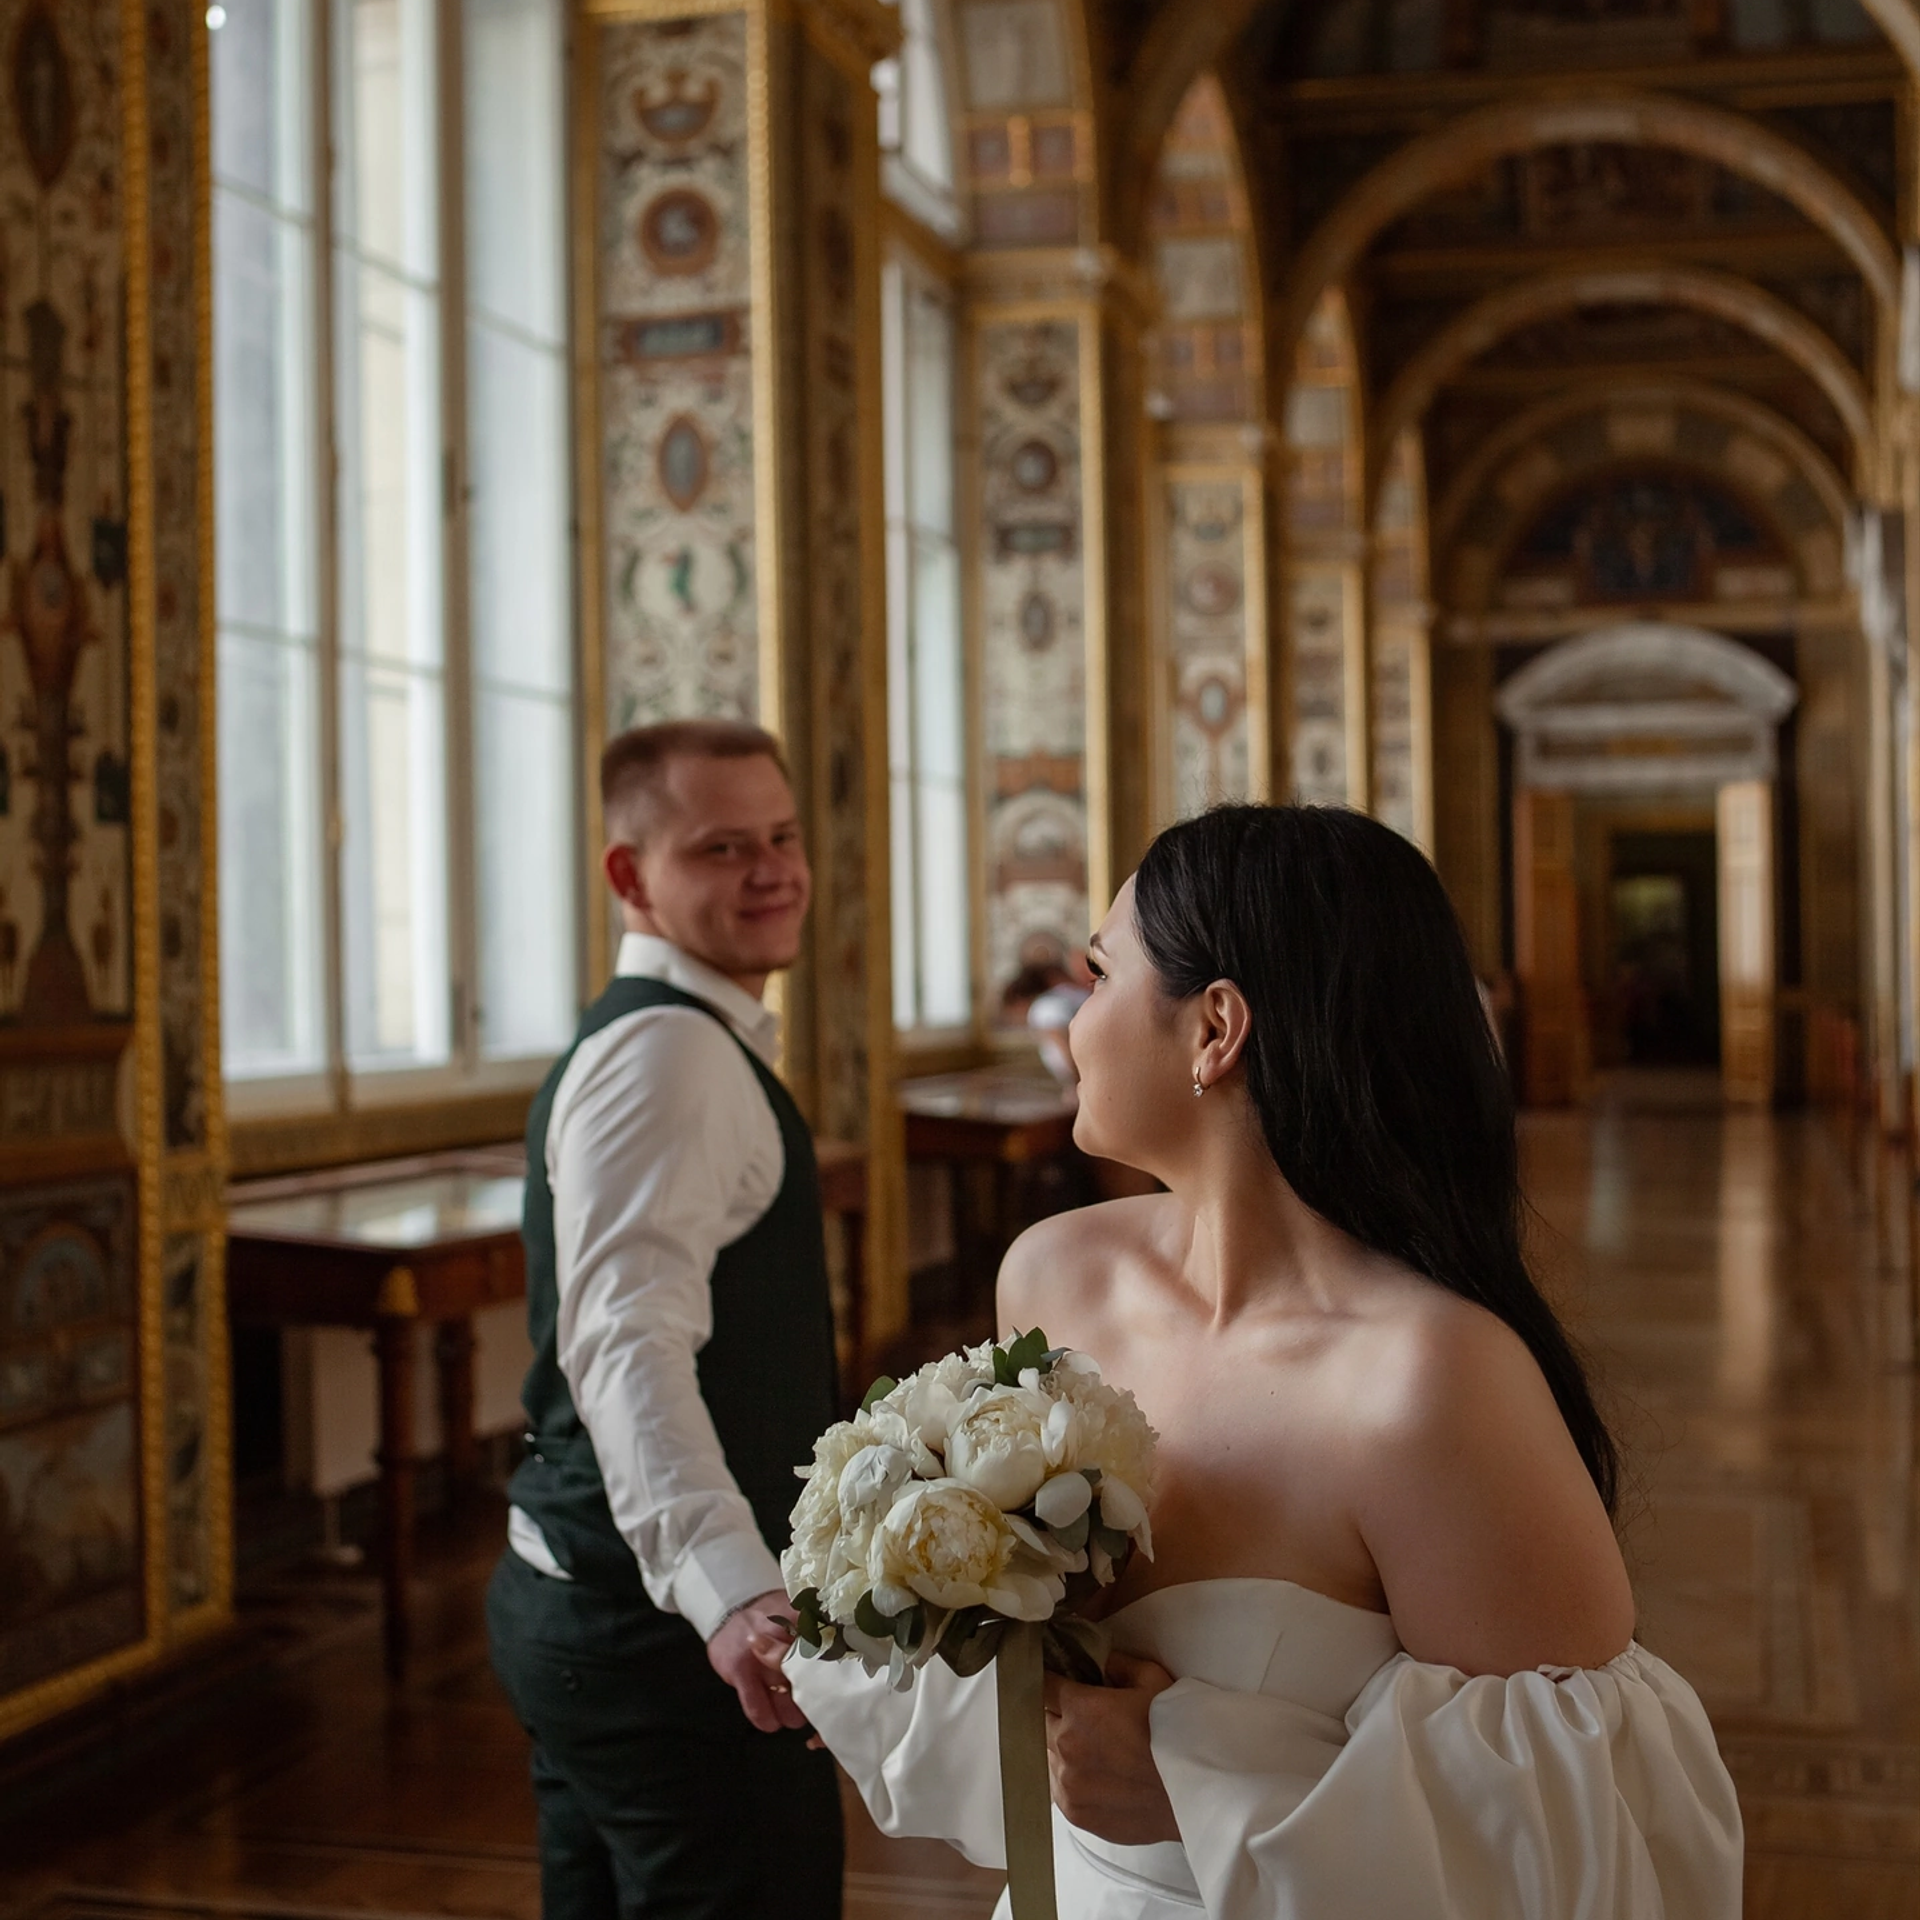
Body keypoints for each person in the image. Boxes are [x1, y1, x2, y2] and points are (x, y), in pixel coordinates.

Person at [786, 804, 1742, 1918]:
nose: (1074, 1029)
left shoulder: (1426, 1381)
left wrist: (1205, 1781)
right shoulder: (1054, 1280)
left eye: (1100, 979)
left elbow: (1585, 1819)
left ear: (1215, 1028)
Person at [487, 719, 843, 1920]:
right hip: (654, 1649)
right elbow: (626, 1348)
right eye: (724, 847)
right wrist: (734, 1594)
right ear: (631, 876)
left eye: (784, 837)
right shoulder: (670, 1059)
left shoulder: (684, 1039)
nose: (775, 870)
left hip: (596, 1615)